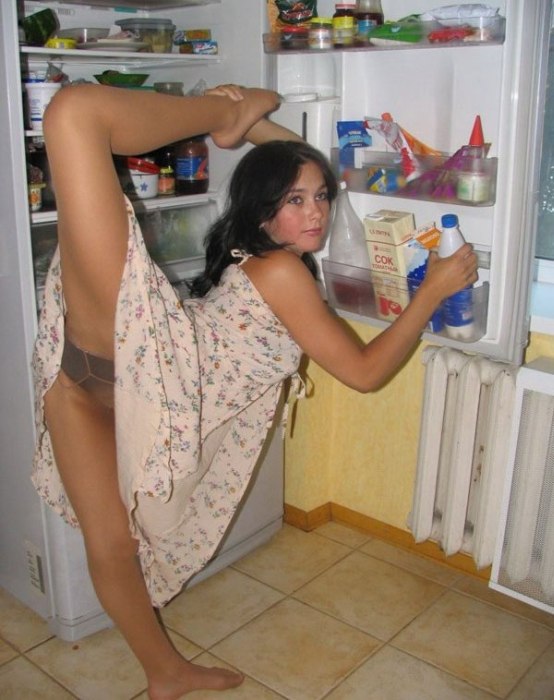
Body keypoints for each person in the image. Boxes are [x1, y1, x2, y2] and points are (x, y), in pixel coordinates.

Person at [32, 83, 477, 699]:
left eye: (321, 196)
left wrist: (249, 129)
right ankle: (223, 113)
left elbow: (300, 168)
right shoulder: (280, 269)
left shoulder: (266, 254)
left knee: (111, 545)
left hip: (94, 377)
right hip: (149, 365)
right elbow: (366, 372)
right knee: (73, 111)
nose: (317, 211)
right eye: (296, 200)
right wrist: (430, 293)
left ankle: (164, 675)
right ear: (264, 209)